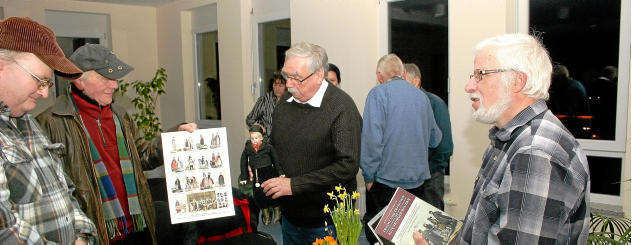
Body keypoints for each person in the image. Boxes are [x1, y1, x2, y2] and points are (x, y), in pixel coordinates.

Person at [415, 33, 591, 244]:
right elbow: (484, 227)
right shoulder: (507, 139)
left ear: (517, 81)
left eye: (480, 74)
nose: (469, 86)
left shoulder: (535, 153)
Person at [36, 43, 197, 244]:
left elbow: (142, 158)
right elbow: (50, 193)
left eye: (114, 78)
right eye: (105, 78)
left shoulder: (120, 115)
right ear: (79, 80)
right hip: (95, 234)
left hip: (139, 226)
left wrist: (173, 139)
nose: (115, 85)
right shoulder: (49, 123)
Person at [0, 16, 97, 244]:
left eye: (48, 84)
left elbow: (63, 190)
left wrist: (82, 235)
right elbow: (4, 229)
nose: (44, 94)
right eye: (39, 80)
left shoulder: (26, 120)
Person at [261, 41, 362, 245]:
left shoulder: (342, 107)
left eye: (296, 78)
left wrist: (294, 185)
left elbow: (347, 166)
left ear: (318, 75)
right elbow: (277, 144)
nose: (288, 85)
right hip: (290, 216)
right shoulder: (286, 103)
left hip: (328, 220)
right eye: (285, 76)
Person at [360, 54, 442, 244]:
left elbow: (372, 141)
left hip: (386, 182)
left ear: (380, 76)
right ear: (404, 73)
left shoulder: (378, 94)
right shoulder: (421, 96)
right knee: (407, 238)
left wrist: (368, 176)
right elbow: (435, 139)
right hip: (417, 183)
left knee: (380, 237)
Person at [404, 63, 454, 210]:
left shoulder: (435, 104)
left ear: (416, 81)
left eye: (403, 81)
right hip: (408, 178)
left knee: (431, 227)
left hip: (430, 177)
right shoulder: (401, 106)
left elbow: (445, 147)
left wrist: (428, 168)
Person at [239, 125, 283, 225]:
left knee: (272, 191)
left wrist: (280, 172)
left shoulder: (268, 147)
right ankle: (266, 215)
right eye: (252, 138)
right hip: (257, 175)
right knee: (259, 195)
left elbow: (276, 160)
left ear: (261, 138)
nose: (254, 140)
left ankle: (277, 211)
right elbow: (243, 162)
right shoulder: (248, 148)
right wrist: (244, 176)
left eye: (256, 138)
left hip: (268, 172)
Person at [245, 72, 287, 137]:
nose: (277, 88)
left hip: (285, 141)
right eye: (275, 85)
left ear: (286, 87)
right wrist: (257, 126)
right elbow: (249, 119)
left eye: (281, 86)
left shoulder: (291, 100)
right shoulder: (264, 100)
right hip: (268, 142)